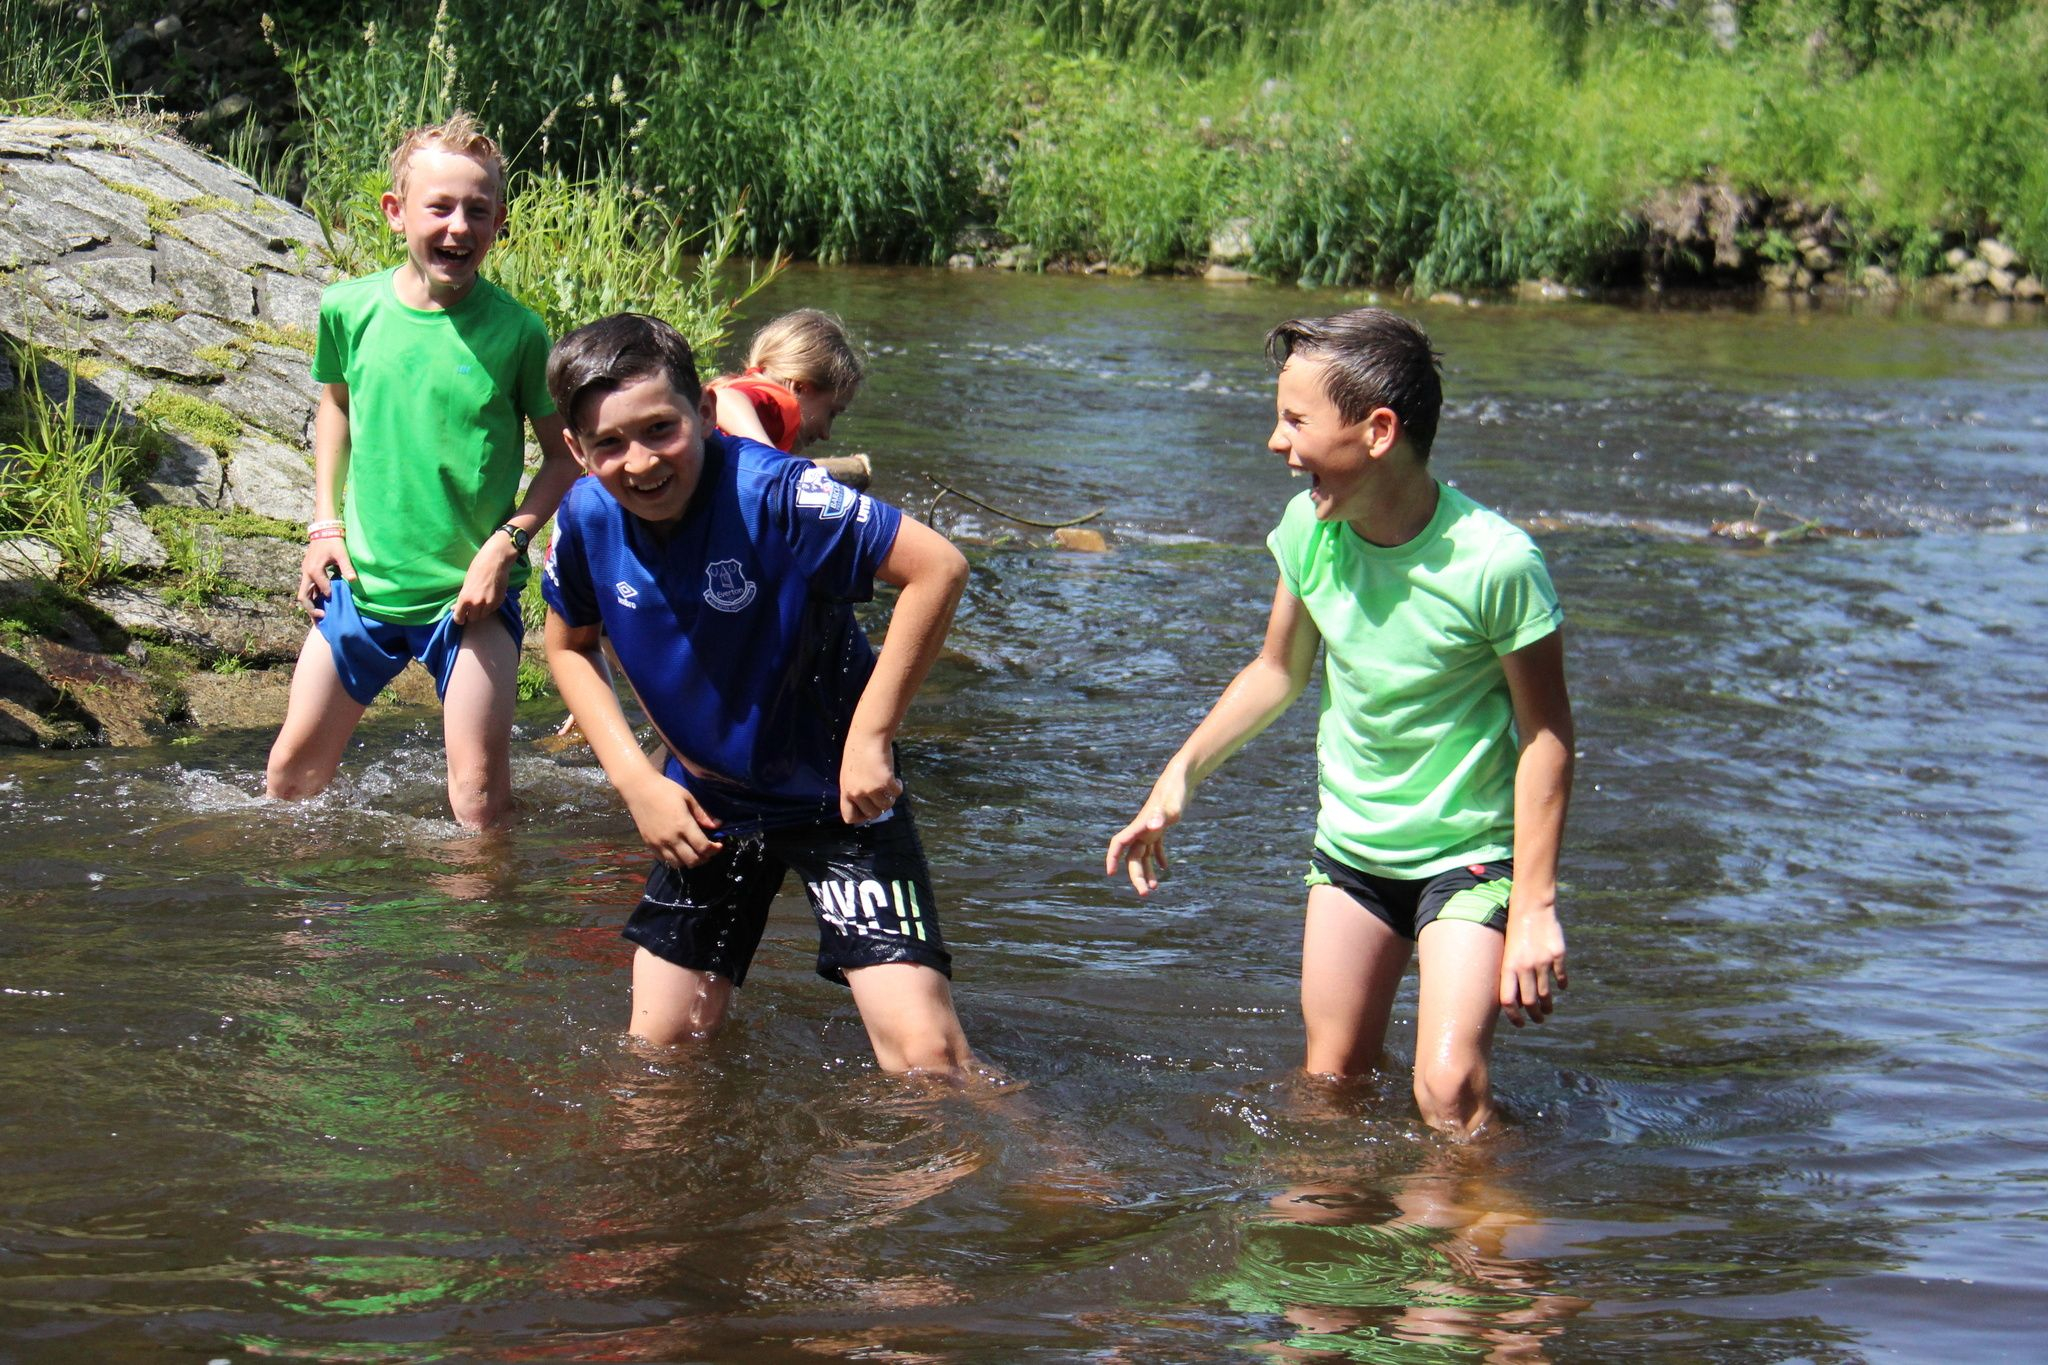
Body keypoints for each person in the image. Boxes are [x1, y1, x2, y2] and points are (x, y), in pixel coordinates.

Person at [1105, 308, 1574, 1139]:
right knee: (1332, 1085)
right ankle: (1349, 1219)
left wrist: (1534, 905)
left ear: (1378, 431)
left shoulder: (1496, 563)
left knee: (1449, 1092)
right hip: (1353, 851)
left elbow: (1547, 736)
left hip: (1468, 855)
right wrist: (1178, 776)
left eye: (1296, 420)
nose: (1276, 442)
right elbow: (1276, 670)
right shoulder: (1310, 532)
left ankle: (1500, 1215)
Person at [539, 312, 974, 1077]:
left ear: (706, 411)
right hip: (707, 804)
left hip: (839, 797)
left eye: (661, 429)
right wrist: (638, 783)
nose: (641, 462)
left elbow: (937, 567)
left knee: (926, 1059)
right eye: (610, 443)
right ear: (577, 450)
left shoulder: (780, 494)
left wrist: (872, 736)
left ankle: (1039, 1144)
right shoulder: (584, 517)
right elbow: (569, 645)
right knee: (661, 1056)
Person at [264, 112, 579, 828]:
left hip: (468, 602)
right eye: (438, 208)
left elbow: (565, 456)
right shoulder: (349, 309)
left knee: (476, 799)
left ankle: (482, 899)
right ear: (395, 211)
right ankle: (305, 902)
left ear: (500, 222)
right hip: (363, 590)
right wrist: (323, 525)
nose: (458, 228)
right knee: (289, 778)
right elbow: (336, 406)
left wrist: (508, 543)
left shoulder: (519, 332)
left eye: (477, 211)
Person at [705, 307, 863, 456]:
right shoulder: (779, 405)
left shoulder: (748, 388)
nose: (826, 434)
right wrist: (771, 460)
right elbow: (723, 400)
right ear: (800, 388)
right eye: (831, 413)